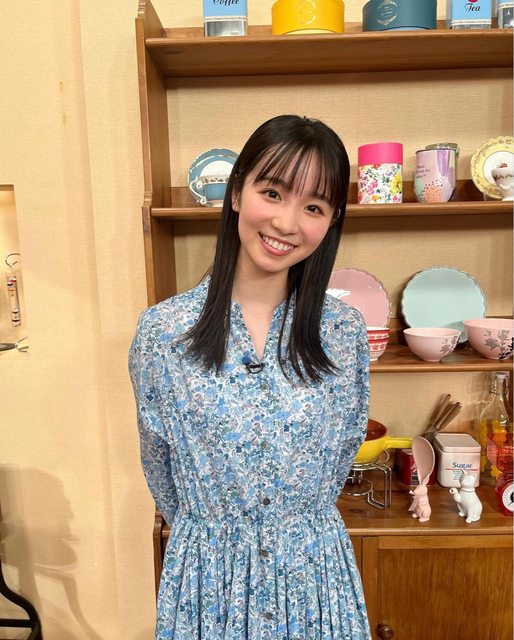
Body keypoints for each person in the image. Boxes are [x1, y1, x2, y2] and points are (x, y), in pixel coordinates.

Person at [129, 114, 371, 639]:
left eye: (313, 207)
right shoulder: (164, 333)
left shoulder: (343, 333)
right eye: (273, 192)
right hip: (206, 584)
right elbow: (160, 466)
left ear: (331, 222)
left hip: (313, 578)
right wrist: (217, 534)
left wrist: (291, 524)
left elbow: (344, 447)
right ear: (237, 192)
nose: (287, 222)